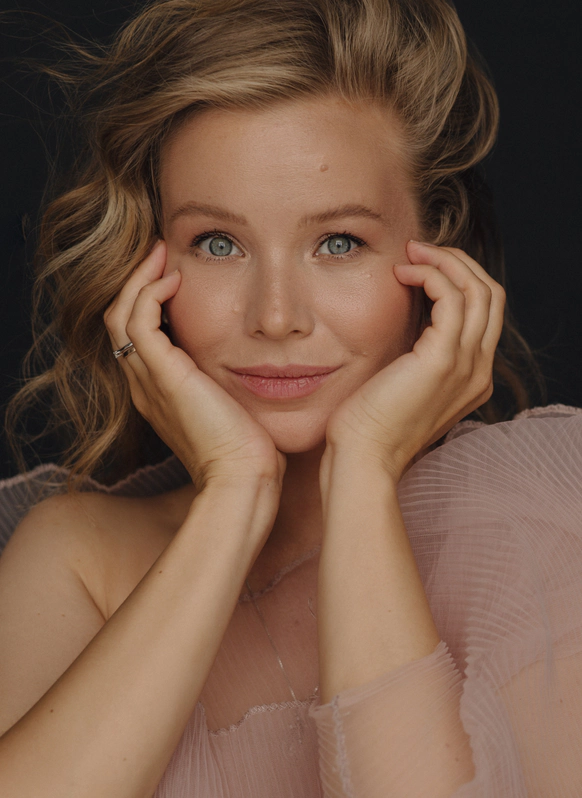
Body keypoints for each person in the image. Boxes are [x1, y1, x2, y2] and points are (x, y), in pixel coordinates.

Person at [0, 0, 581, 795]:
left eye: (338, 243)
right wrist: (234, 492)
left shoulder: (542, 528)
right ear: (146, 267)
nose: (276, 317)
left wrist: (364, 473)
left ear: (434, 260)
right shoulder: (79, 560)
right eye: (218, 243)